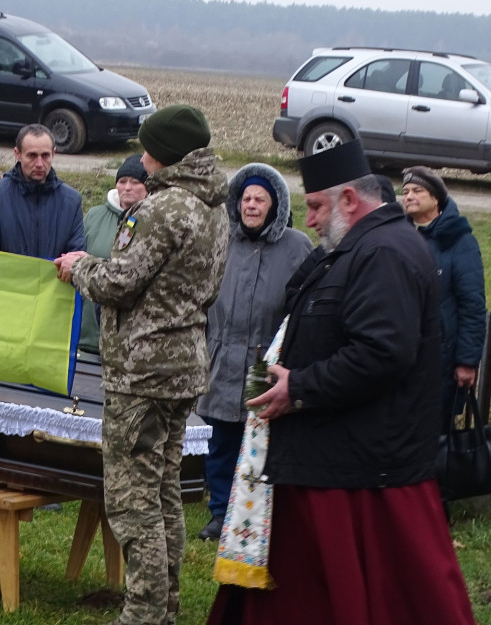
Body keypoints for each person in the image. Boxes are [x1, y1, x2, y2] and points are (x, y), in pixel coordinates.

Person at [206, 139, 476, 625]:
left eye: (315, 206)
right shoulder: (359, 247)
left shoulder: (386, 253)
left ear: (350, 200)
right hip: (331, 461)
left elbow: (382, 352)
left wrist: (300, 386)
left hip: (363, 472)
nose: (307, 220)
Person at [55, 104, 229, 625]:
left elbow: (118, 283)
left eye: (149, 147)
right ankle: (166, 606)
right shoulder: (214, 206)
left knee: (134, 502)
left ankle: (144, 613)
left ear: (167, 154)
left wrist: (80, 265)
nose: (143, 156)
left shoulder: (163, 208)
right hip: (183, 367)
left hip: (143, 370)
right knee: (164, 492)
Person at [194, 163, 312, 541]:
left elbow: (305, 302)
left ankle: (260, 517)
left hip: (266, 361)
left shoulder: (297, 246)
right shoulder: (221, 239)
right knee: (221, 440)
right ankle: (218, 514)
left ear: (274, 205)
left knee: (259, 440)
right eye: (246, 198)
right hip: (221, 357)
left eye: (260, 198)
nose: (252, 205)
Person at [401, 165, 486, 433]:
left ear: (436, 198)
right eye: (405, 192)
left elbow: (472, 306)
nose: (409, 196)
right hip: (399, 358)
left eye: (417, 190)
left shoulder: (459, 241)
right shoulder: (398, 237)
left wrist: (466, 362)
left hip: (440, 364)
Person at [0, 124, 84, 258]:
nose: (39, 163)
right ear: (17, 154)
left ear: (53, 153)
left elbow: (76, 258)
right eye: (32, 156)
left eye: (45, 156)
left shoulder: (71, 201)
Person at [78, 154, 148, 354]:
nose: (127, 187)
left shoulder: (152, 221)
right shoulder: (94, 215)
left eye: (135, 182)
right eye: (122, 181)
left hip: (129, 341)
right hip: (88, 335)